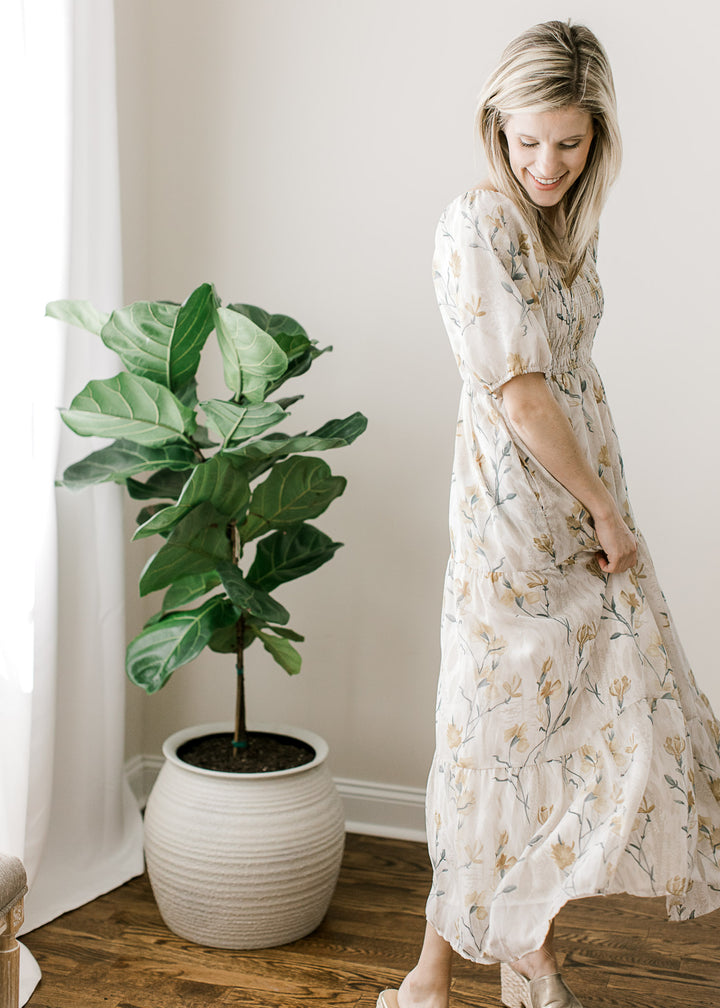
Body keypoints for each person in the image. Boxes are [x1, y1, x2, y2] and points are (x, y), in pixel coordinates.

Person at [378, 20, 720, 1008]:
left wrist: (604, 504)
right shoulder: (477, 221)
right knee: (493, 736)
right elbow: (519, 392)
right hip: (520, 517)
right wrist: (610, 512)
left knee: (575, 734)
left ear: (597, 137)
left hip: (577, 496)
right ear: (497, 126)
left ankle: (487, 957)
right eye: (528, 140)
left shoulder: (562, 224)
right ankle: (453, 970)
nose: (546, 163)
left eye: (569, 143)